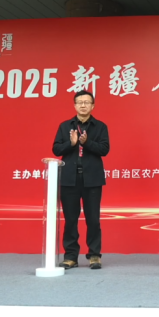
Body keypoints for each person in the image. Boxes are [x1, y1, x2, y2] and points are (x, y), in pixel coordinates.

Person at [52, 90, 110, 270]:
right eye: (80, 102)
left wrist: (86, 143)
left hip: (92, 179)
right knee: (70, 219)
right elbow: (56, 149)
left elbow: (104, 149)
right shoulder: (65, 126)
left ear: (93, 106)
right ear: (75, 105)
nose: (83, 105)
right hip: (69, 178)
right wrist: (71, 144)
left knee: (93, 219)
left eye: (87, 102)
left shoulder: (100, 127)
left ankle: (94, 255)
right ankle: (71, 256)